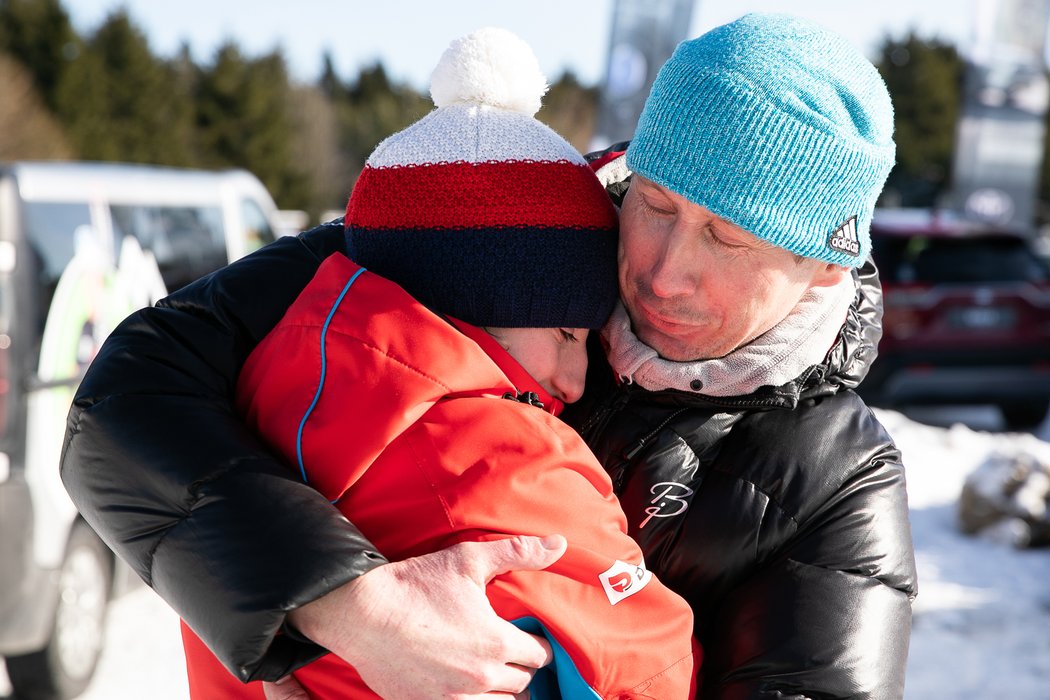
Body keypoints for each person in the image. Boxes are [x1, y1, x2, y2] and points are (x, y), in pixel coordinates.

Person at [62, 13, 918, 699]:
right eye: (654, 203)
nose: (661, 271)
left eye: (726, 241)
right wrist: (348, 608)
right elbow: (124, 402)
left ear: (821, 264)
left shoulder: (840, 481)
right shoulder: (494, 226)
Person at [178, 27, 697, 700]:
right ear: (466, 311)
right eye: (567, 333)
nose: (574, 382)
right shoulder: (500, 459)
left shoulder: (244, 400)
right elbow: (652, 670)